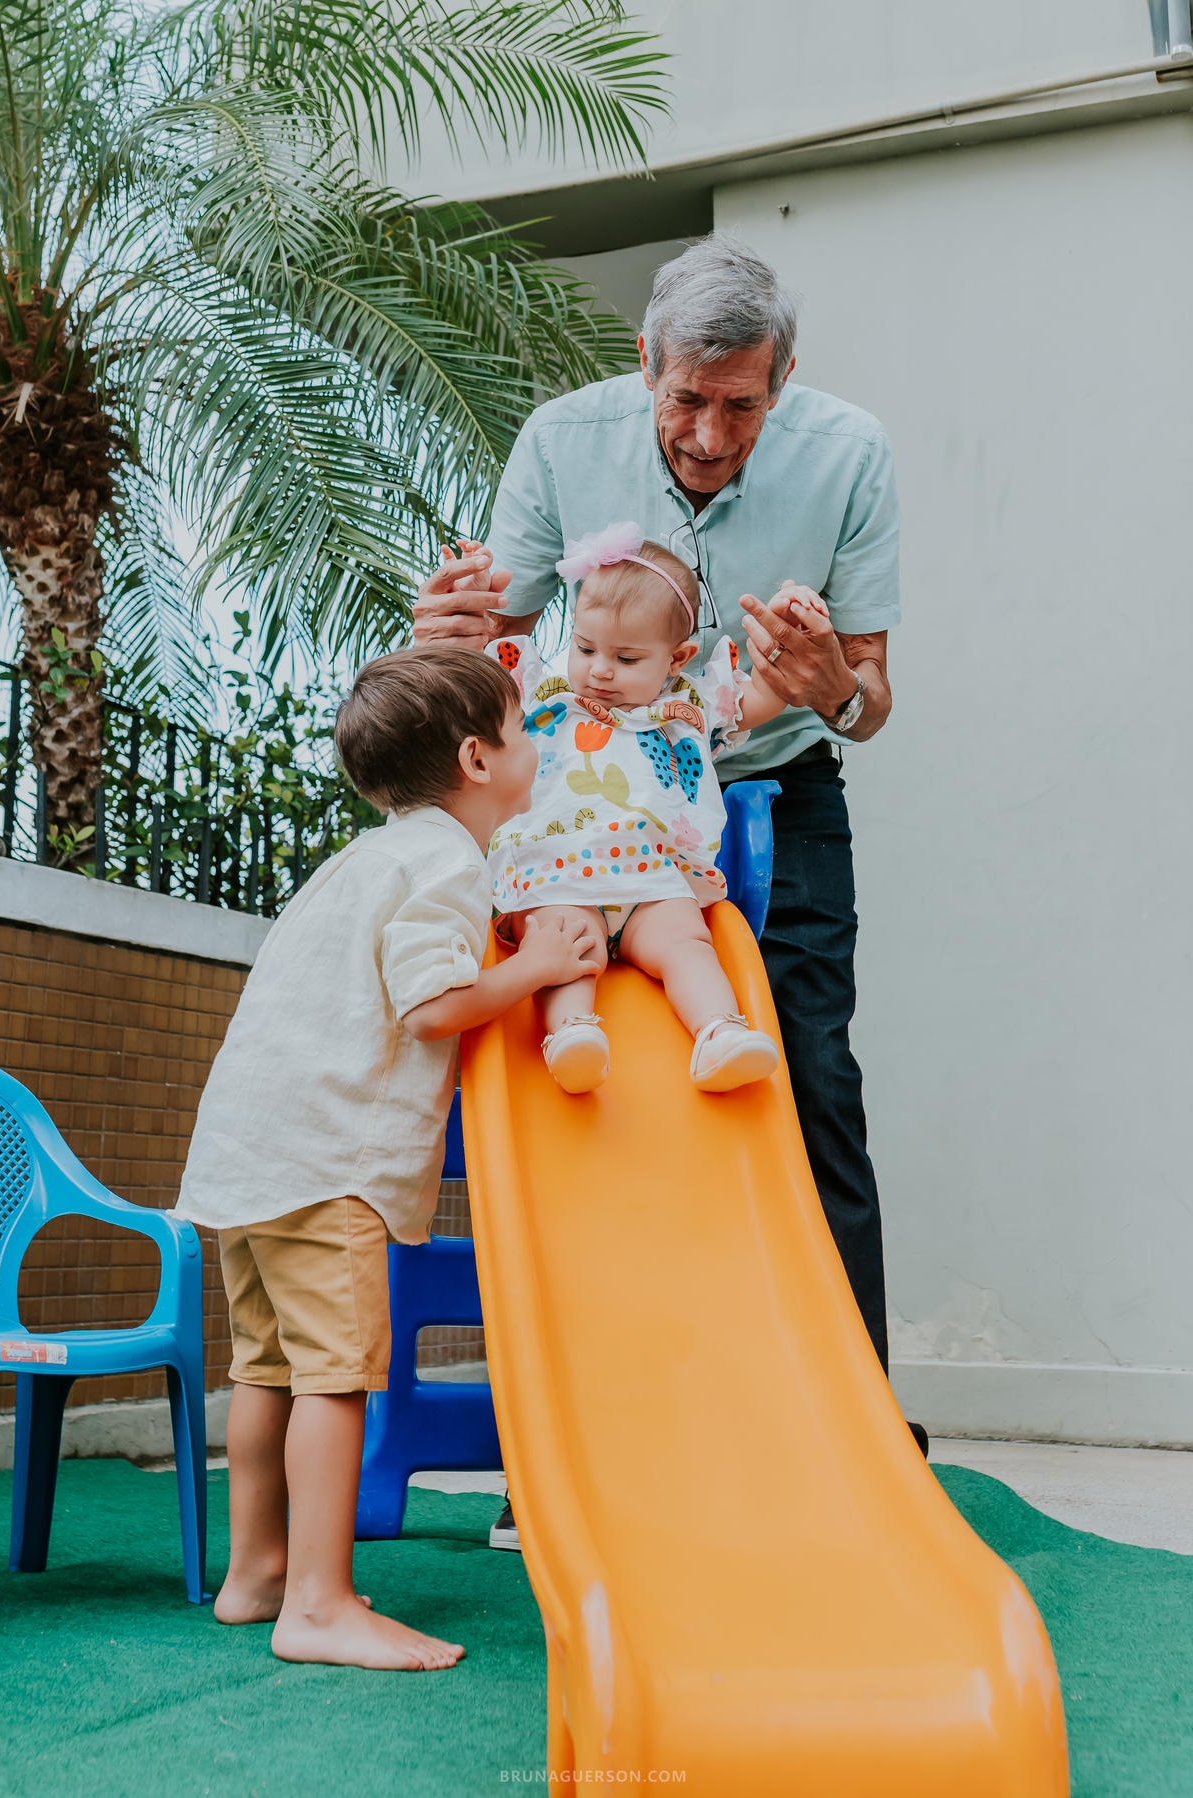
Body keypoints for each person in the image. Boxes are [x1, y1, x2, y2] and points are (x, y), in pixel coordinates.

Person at [415, 233, 923, 1547]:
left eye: (740, 404)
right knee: (574, 1096)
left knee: (814, 1073)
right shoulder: (559, 439)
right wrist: (445, 638)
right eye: (685, 398)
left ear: (785, 378)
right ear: (645, 364)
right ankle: (573, 1432)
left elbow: (869, 699)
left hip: (769, 786)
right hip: (581, 800)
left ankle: (857, 1414)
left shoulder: (849, 452)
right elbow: (497, 653)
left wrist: (827, 686)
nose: (707, 432)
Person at [175, 645, 600, 1666]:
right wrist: (539, 963)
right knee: (335, 1377)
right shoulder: (449, 862)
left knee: (266, 1369)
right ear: (476, 756)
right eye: (521, 725)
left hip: (249, 1150)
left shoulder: (361, 860)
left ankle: (257, 1570)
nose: (534, 742)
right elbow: (433, 1004)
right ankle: (319, 1603)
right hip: (332, 1158)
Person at [484, 519, 835, 1094]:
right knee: (562, 947)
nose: (599, 669)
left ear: (678, 658)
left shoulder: (689, 709)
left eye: (626, 659)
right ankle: (572, 1034)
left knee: (688, 944)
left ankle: (719, 1033)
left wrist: (787, 630)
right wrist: (467, 611)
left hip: (654, 883)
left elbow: (768, 691)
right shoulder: (547, 699)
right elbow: (474, 672)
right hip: (562, 875)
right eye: (586, 647)